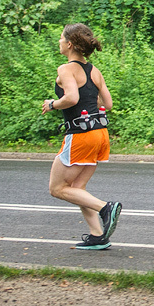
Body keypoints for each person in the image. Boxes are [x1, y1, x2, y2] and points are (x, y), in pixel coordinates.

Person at [42, 23, 122, 251]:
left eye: (60, 38)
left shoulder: (66, 69)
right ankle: (98, 236)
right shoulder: (94, 71)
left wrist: (52, 104)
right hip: (100, 134)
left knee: (57, 188)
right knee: (77, 187)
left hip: (80, 135)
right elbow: (108, 104)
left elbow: (72, 98)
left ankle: (106, 208)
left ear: (69, 44)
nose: (58, 42)